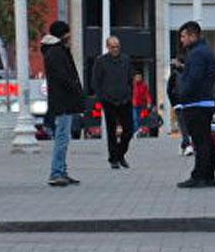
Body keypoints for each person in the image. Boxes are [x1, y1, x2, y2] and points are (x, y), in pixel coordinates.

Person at [173, 21, 215, 189]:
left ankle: (200, 176)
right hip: (203, 101)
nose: (182, 40)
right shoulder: (204, 51)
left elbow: (194, 79)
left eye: (184, 36)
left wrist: (182, 94)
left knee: (200, 141)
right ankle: (208, 176)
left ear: (193, 35)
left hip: (197, 102)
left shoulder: (197, 54)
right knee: (205, 139)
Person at [40, 21, 85, 187]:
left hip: (62, 101)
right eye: (68, 33)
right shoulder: (57, 52)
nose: (70, 36)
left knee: (63, 137)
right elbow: (64, 77)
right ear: (62, 34)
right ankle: (56, 172)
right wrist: (75, 91)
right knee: (62, 138)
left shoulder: (55, 51)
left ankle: (61, 171)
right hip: (63, 102)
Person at [90, 36, 135, 169]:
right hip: (108, 100)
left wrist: (129, 93)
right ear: (108, 47)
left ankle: (120, 154)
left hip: (125, 99)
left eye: (117, 46)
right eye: (113, 46)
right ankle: (113, 159)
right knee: (111, 131)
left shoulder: (126, 59)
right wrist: (102, 97)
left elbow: (130, 78)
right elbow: (95, 81)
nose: (115, 49)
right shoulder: (101, 61)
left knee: (129, 130)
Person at [131, 72, 152, 136]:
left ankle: (138, 131)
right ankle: (136, 131)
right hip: (133, 104)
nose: (138, 78)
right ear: (134, 78)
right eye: (137, 77)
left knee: (140, 118)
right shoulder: (132, 85)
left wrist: (149, 102)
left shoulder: (144, 85)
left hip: (141, 104)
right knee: (134, 118)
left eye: (139, 77)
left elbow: (147, 95)